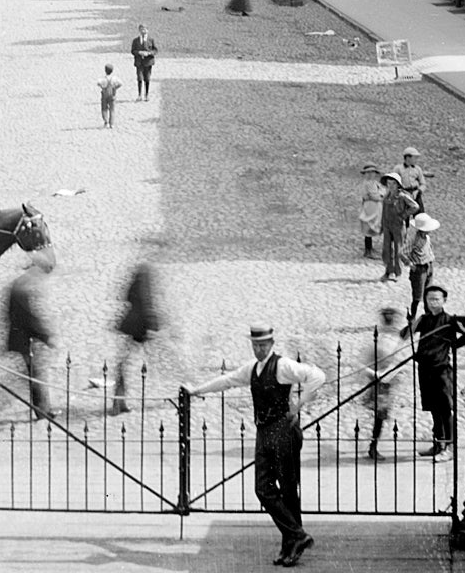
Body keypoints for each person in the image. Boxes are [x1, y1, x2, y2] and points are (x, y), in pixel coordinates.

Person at [183, 324, 324, 567]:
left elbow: (317, 376)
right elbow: (228, 380)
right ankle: (297, 536)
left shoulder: (282, 365)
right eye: (255, 345)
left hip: (283, 431)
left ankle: (290, 545)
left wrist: (298, 404)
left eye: (263, 345)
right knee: (263, 489)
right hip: (264, 432)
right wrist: (197, 391)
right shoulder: (253, 369)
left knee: (288, 490)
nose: (259, 349)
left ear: (271, 344)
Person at [403, 286, 465, 458]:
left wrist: (454, 345)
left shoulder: (450, 320)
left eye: (437, 299)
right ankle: (438, 444)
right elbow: (404, 335)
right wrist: (412, 322)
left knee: (445, 408)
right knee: (433, 409)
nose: (433, 302)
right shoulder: (424, 319)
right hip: (425, 368)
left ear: (444, 301)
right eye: (430, 299)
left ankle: (449, 447)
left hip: (441, 369)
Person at [107, 239, 162, 414]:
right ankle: (118, 402)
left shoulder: (140, 270)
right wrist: (152, 322)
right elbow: (146, 299)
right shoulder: (145, 271)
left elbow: (126, 294)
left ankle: (119, 401)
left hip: (133, 323)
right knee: (162, 357)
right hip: (140, 325)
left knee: (124, 362)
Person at [4, 258, 56, 421]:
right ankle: (42, 410)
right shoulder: (23, 288)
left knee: (35, 374)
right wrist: (46, 337)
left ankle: (44, 409)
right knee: (35, 375)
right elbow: (29, 318)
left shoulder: (22, 284)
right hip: (24, 339)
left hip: (25, 337)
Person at [360, 307, 404, 461]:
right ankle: (373, 447)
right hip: (380, 382)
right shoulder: (384, 338)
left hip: (385, 380)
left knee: (379, 416)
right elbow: (366, 362)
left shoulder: (393, 338)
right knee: (379, 416)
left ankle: (373, 445)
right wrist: (375, 374)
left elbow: (399, 361)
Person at [377, 171, 417, 283]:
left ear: (398, 184)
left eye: (393, 183)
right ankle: (388, 271)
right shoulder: (386, 196)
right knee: (387, 249)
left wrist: (403, 215)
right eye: (389, 183)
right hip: (387, 225)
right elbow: (384, 211)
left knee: (398, 250)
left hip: (398, 226)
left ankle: (398, 272)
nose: (390, 186)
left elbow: (415, 206)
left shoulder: (402, 196)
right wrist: (381, 225)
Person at [401, 212, 440, 315]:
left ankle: (428, 316)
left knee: (428, 294)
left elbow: (429, 249)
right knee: (417, 297)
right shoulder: (413, 240)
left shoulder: (427, 238)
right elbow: (402, 253)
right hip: (419, 269)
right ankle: (412, 316)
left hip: (428, 266)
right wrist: (410, 264)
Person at [355, 163, 385, 259]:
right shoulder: (367, 183)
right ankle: (368, 250)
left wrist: (381, 195)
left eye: (372, 172)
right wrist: (380, 196)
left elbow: (383, 191)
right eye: (368, 172)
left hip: (376, 207)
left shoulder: (375, 183)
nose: (370, 174)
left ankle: (370, 248)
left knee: (373, 226)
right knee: (368, 227)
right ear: (365, 174)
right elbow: (374, 195)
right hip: (370, 207)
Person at [397, 145, 431, 210]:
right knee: (404, 214)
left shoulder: (418, 169)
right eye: (414, 157)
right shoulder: (398, 169)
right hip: (404, 194)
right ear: (408, 158)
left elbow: (423, 183)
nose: (416, 160)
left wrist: (418, 191)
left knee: (420, 214)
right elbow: (394, 183)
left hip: (416, 193)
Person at [130, 23, 158, 101]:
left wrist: (149, 53)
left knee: (147, 78)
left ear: (147, 30)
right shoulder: (135, 40)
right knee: (139, 78)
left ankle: (147, 94)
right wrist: (139, 52)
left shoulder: (151, 40)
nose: (143, 31)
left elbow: (155, 50)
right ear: (139, 30)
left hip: (148, 62)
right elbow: (133, 51)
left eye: (145, 29)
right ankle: (139, 95)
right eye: (141, 29)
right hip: (139, 62)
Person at [98, 63, 122, 128]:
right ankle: (112, 123)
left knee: (104, 109)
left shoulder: (103, 79)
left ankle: (106, 121)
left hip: (105, 95)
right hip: (112, 95)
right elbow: (120, 83)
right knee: (112, 109)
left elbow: (98, 83)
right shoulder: (114, 78)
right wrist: (115, 88)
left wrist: (102, 87)